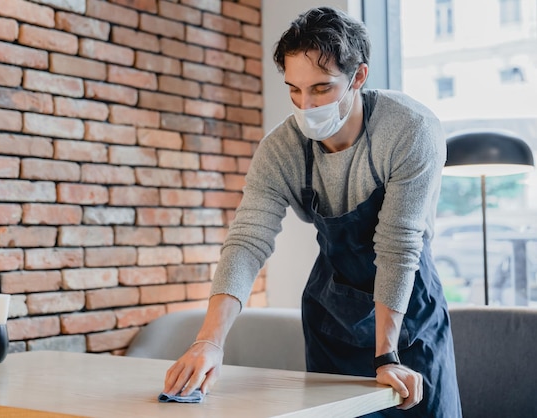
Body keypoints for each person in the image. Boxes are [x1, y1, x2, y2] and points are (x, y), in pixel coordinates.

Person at [163, 6, 462, 416]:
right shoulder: (281, 149)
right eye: (294, 89)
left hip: (406, 317)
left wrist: (386, 357)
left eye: (321, 88)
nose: (306, 105)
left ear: (358, 76)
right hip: (331, 320)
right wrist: (209, 342)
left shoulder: (410, 129)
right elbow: (247, 241)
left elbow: (397, 246)